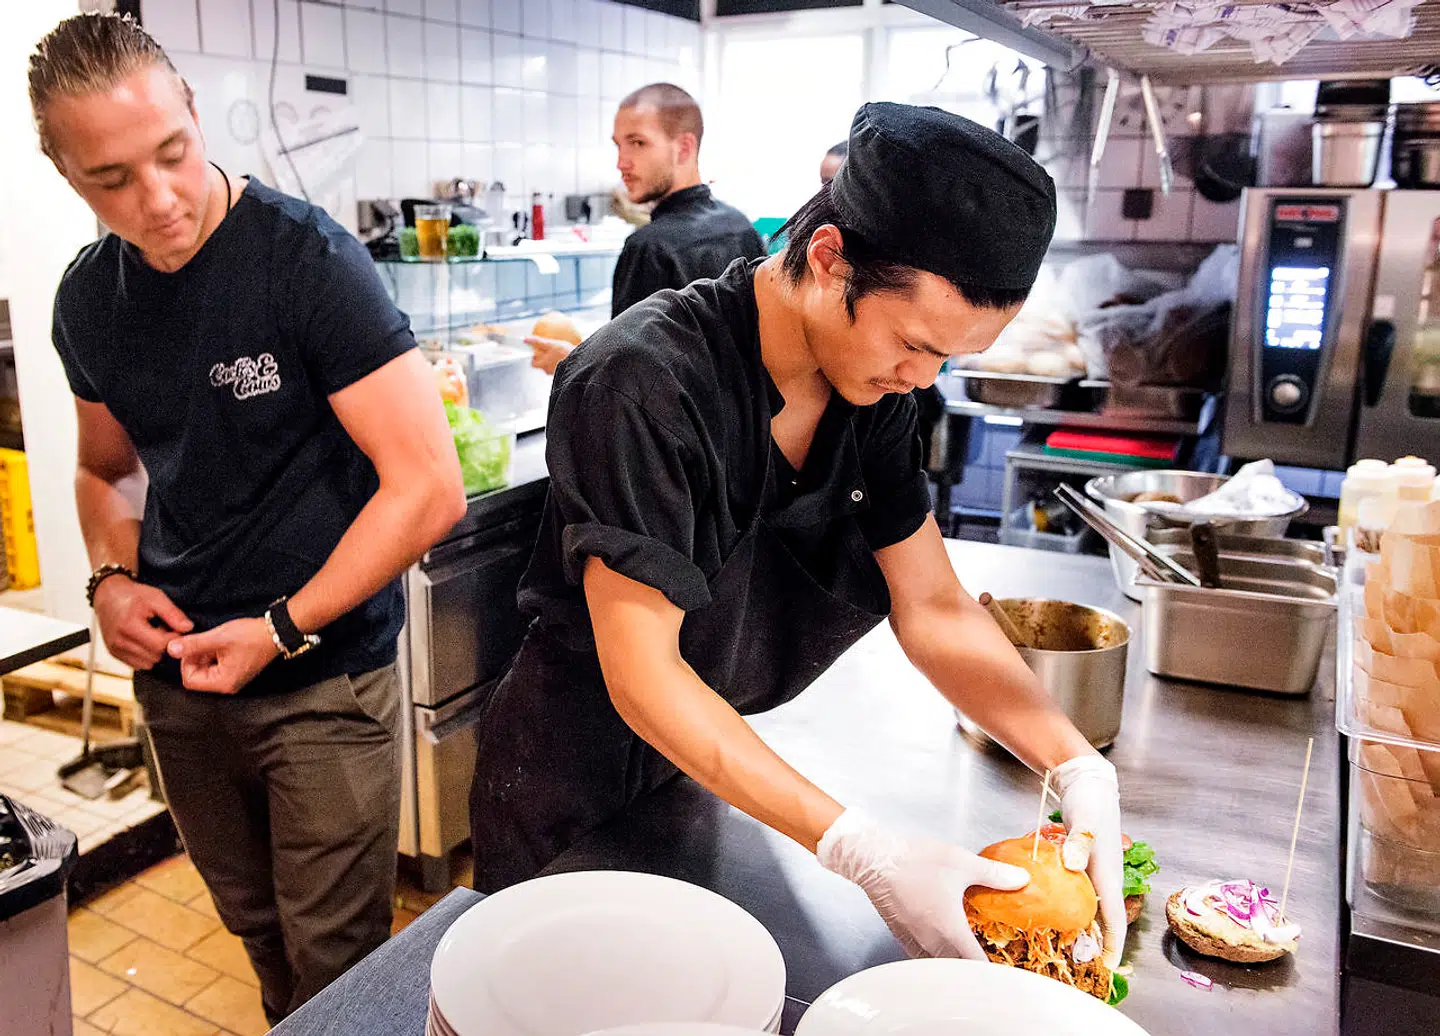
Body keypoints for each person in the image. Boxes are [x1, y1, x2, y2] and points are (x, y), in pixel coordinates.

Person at [470, 102, 1127, 969]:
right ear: (827, 260)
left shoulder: (875, 392)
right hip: (571, 783)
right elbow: (645, 673)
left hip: (697, 767)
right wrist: (866, 852)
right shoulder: (644, 380)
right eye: (913, 342)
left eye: (946, 361)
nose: (920, 379)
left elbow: (931, 604)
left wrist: (1076, 765)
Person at [31, 13, 465, 1024]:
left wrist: (280, 626)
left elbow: (427, 486)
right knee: (257, 931)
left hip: (320, 680)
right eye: (113, 180)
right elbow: (106, 471)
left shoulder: (303, 263)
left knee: (335, 958)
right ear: (67, 176)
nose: (159, 198)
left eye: (172, 154)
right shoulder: (89, 302)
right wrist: (110, 580)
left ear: (192, 111)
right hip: (182, 683)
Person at [528, 83, 764, 375]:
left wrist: (570, 362)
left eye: (638, 143)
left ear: (684, 148)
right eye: (618, 145)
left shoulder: (649, 247)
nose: (621, 163)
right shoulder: (740, 226)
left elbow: (628, 380)